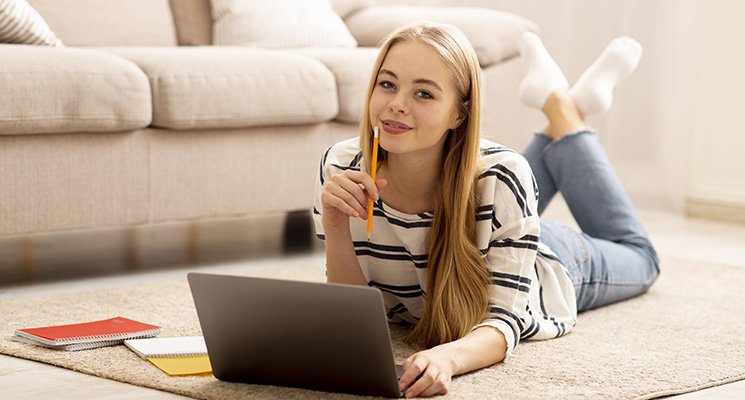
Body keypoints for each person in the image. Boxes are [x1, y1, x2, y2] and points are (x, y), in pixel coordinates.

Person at [313, 22, 659, 398]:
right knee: (495, 182)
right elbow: (351, 314)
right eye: (387, 84)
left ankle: (561, 107)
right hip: (490, 217)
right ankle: (566, 104)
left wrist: (447, 359)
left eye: (424, 94)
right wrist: (334, 224)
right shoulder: (342, 166)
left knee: (641, 257)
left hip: (548, 261)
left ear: (459, 115)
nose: (397, 103)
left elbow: (504, 320)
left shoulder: (504, 176)